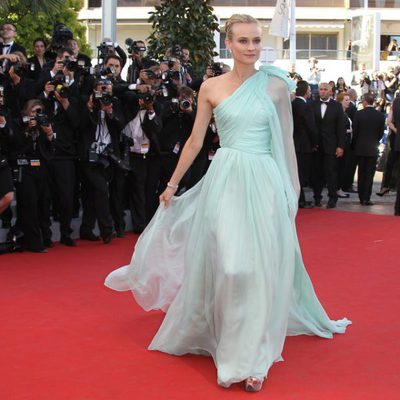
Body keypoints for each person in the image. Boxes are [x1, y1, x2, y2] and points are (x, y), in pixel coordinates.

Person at [105, 14, 351, 392]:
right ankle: (228, 340)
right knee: (231, 266)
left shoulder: (275, 87)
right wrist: (172, 183)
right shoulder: (210, 87)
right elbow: (195, 142)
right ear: (229, 44)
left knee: (257, 268)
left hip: (265, 180)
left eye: (256, 41)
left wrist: (293, 190)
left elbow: (284, 142)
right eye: (243, 41)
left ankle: (253, 360)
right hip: (226, 179)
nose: (251, 47)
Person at [352, 94, 386, 205]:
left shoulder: (358, 114)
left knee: (361, 173)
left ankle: (361, 196)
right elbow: (380, 134)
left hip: (360, 148)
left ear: (365, 102)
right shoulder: (380, 116)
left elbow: (355, 132)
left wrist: (355, 145)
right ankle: (367, 197)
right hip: (372, 148)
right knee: (370, 174)